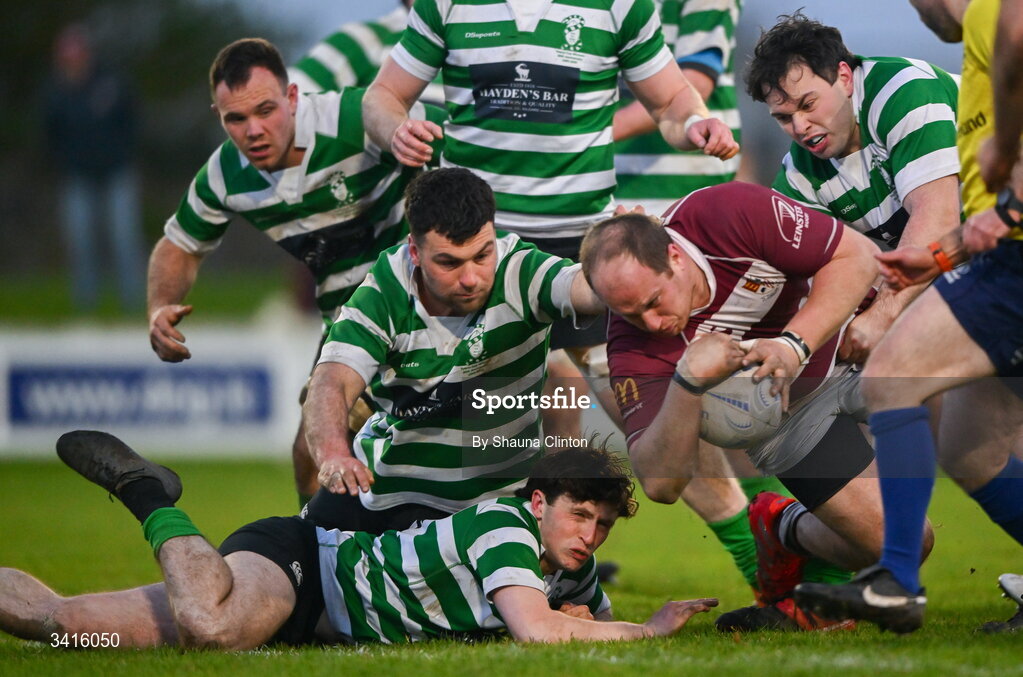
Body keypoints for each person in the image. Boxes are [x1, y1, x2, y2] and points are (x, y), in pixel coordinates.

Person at [362, 0, 738, 444]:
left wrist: (693, 122)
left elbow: (673, 99)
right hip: (477, 251)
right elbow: (382, 97)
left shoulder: (620, 6)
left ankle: (743, 514)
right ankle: (330, 514)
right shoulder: (446, 5)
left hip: (584, 256)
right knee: (372, 409)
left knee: (656, 426)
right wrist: (394, 130)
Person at [579, 181, 934, 631]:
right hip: (792, 418)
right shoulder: (632, 345)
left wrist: (793, 345)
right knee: (907, 542)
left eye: (653, 302)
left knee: (986, 398)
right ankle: (780, 528)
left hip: (860, 340)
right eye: (629, 314)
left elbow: (858, 256)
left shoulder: (722, 213)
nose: (651, 323)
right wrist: (686, 384)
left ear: (674, 257)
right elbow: (660, 484)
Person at [0, 431, 718, 648]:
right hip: (302, 566)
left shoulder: (571, 568)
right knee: (211, 624)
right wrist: (646, 628)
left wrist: (586, 616)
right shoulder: (505, 526)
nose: (588, 535)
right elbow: (535, 631)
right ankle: (146, 492)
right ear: (537, 501)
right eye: (578, 515)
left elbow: (571, 616)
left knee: (64, 630)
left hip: (313, 623)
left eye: (600, 524)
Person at [794, 0, 1023, 634]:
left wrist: (1007, 164)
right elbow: (967, 222)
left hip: (1011, 263)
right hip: (997, 257)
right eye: (784, 115)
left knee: (894, 374)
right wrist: (945, 252)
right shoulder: (803, 168)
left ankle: (896, 580)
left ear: (843, 77)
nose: (919, 15)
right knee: (972, 448)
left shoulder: (986, 20)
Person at [146, 38, 444, 506]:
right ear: (218, 117)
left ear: (292, 97)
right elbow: (179, 245)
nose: (253, 130)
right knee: (310, 451)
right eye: (236, 120)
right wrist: (160, 305)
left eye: (265, 110)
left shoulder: (352, 119)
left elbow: (418, 128)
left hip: (417, 303)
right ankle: (314, 557)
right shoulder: (225, 176)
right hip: (346, 319)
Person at [301, 167, 605, 533]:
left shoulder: (522, 271)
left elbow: (586, 290)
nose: (471, 279)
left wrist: (617, 262)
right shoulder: (383, 291)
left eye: (482, 255)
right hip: (388, 494)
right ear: (414, 250)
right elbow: (330, 382)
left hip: (496, 509)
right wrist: (334, 454)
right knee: (275, 558)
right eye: (449, 262)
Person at [746, 12, 961, 363]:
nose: (800, 127)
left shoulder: (903, 90)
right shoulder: (799, 175)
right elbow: (783, 274)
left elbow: (939, 217)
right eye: (784, 118)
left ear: (844, 77)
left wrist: (880, 316)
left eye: (808, 104)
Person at [43, 23, 145, 313]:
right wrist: (64, 162)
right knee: (80, 241)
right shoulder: (55, 91)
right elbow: (50, 133)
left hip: (117, 172)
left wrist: (123, 154)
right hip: (77, 177)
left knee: (125, 238)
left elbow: (132, 119)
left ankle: (134, 305)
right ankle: (85, 307)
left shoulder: (111, 82)